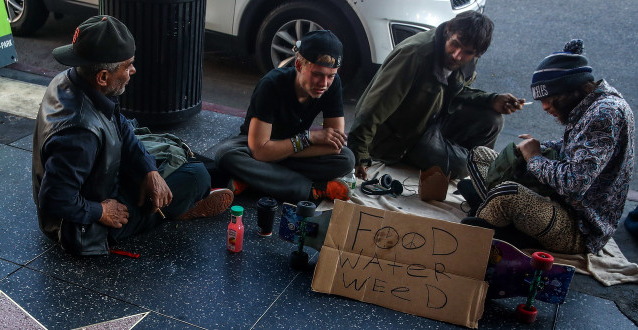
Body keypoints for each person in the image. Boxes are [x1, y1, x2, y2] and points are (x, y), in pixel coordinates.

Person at [32, 15, 233, 255]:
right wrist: (102, 211)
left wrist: (149, 171)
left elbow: (120, 125)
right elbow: (54, 199)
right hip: (83, 226)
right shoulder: (79, 135)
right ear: (103, 76)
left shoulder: (74, 79)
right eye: (128, 66)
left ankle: (192, 193)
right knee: (197, 177)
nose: (133, 70)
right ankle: (181, 206)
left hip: (99, 178)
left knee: (188, 159)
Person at [465, 39, 634, 254]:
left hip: (577, 227)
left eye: (549, 99)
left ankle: (487, 225)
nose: (545, 107)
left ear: (569, 90)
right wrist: (533, 148)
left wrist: (534, 158)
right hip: (555, 197)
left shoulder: (604, 114)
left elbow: (574, 184)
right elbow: (571, 148)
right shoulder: (590, 103)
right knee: (479, 155)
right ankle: (502, 218)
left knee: (507, 195)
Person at [347, 11, 525, 180]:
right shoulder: (415, 55)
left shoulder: (469, 54)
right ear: (448, 30)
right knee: (464, 166)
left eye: (467, 52)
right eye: (455, 44)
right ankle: (467, 162)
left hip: (434, 118)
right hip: (401, 138)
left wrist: (491, 100)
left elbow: (457, 91)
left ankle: (478, 169)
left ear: (477, 53)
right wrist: (359, 155)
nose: (457, 55)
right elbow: (372, 107)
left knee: (494, 121)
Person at [215, 30, 355, 203]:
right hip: (255, 145)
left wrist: (277, 153)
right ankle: (312, 190)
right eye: (317, 74)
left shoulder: (332, 86)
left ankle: (256, 179)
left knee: (346, 159)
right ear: (298, 65)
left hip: (288, 151)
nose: (324, 84)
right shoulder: (271, 84)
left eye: (331, 76)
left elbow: (334, 146)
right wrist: (307, 139)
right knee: (225, 155)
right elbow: (259, 150)